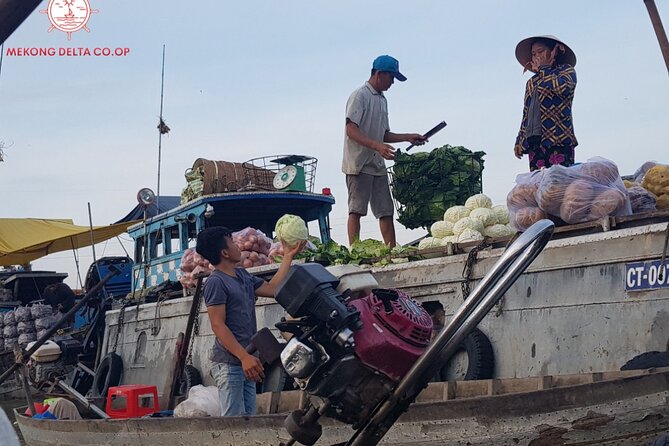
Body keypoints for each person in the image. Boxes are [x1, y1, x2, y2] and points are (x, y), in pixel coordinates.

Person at [196, 226, 305, 416]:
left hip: (247, 362)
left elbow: (273, 289)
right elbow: (217, 325)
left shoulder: (242, 276)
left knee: (250, 421)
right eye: (232, 242)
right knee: (234, 424)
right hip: (230, 363)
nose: (238, 246)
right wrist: (244, 357)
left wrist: (288, 256)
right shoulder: (216, 282)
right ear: (224, 253)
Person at [342, 55, 426, 247]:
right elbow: (351, 129)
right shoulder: (360, 95)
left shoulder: (382, 100)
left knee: (385, 211)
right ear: (380, 74)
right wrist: (376, 146)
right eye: (392, 77)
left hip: (377, 164)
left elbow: (384, 134)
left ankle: (391, 250)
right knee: (356, 210)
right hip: (358, 163)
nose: (393, 83)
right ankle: (355, 251)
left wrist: (407, 136)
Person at [513, 35, 578, 171]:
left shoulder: (566, 72)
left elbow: (562, 88)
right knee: (539, 185)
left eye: (541, 51)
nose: (537, 56)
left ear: (554, 51)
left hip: (559, 139)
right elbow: (526, 112)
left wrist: (545, 69)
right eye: (533, 54)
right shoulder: (531, 82)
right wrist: (519, 140)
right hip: (536, 141)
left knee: (559, 184)